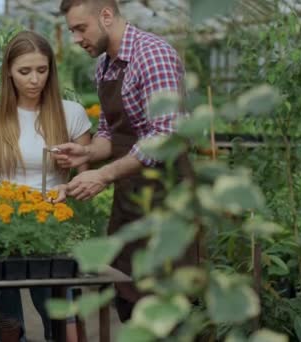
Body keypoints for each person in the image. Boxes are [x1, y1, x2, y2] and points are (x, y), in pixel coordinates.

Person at [53, 0, 200, 322]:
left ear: (106, 15)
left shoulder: (152, 56)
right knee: (129, 298)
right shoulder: (105, 65)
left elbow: (167, 135)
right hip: (131, 199)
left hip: (166, 201)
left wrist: (103, 176)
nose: (76, 39)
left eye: (81, 28)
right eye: (72, 31)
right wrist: (88, 153)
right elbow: (110, 132)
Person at [0, 30, 92, 342]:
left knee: (63, 315)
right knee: (6, 321)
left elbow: (84, 180)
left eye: (42, 70)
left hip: (50, 224)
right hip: (1, 225)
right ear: (8, 72)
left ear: (51, 70)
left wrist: (72, 175)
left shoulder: (71, 114)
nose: (34, 79)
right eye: (25, 71)